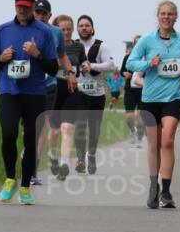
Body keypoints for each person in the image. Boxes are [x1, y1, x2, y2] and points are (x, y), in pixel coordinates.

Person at [0, 0, 58, 205]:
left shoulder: (44, 32)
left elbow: (53, 68)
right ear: (14, 5)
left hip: (34, 93)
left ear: (33, 6)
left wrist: (37, 55)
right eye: (19, 7)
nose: (22, 10)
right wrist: (1, 58)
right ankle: (10, 179)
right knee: (8, 134)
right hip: (9, 91)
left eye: (27, 7)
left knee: (30, 140)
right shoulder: (3, 30)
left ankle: (25, 186)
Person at [125, 1, 180, 209]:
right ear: (158, 16)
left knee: (167, 142)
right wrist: (148, 64)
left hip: (174, 96)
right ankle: (153, 187)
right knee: (153, 144)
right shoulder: (146, 40)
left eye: (170, 14)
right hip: (150, 97)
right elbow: (130, 63)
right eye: (163, 14)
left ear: (176, 17)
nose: (166, 17)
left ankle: (166, 190)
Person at [26, 0, 73, 186]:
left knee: (42, 128)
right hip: (29, 84)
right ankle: (28, 160)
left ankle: (33, 170)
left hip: (50, 84)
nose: (40, 16)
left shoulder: (56, 33)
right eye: (37, 12)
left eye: (44, 13)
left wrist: (70, 73)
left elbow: (62, 55)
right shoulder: (25, 29)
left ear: (50, 15)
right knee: (33, 130)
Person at [74, 15, 115, 174]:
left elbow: (111, 65)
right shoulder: (72, 46)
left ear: (92, 28)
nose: (84, 28)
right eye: (81, 26)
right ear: (77, 29)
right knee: (80, 126)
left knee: (94, 128)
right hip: (78, 92)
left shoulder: (101, 46)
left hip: (97, 94)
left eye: (87, 25)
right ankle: (80, 159)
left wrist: (92, 65)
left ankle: (91, 155)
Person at [47, 15, 86, 181]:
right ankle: (52, 155)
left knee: (67, 128)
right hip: (55, 89)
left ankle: (64, 164)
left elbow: (83, 62)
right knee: (55, 131)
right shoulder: (51, 46)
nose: (66, 32)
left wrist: (85, 65)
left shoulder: (78, 47)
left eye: (69, 29)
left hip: (72, 90)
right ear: (57, 30)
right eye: (63, 29)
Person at [120, 36, 145, 146]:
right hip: (130, 89)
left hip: (143, 89)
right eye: (137, 43)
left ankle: (140, 138)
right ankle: (132, 130)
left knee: (141, 115)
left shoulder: (148, 57)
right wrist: (125, 73)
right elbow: (122, 71)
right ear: (134, 45)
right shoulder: (128, 57)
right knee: (129, 116)